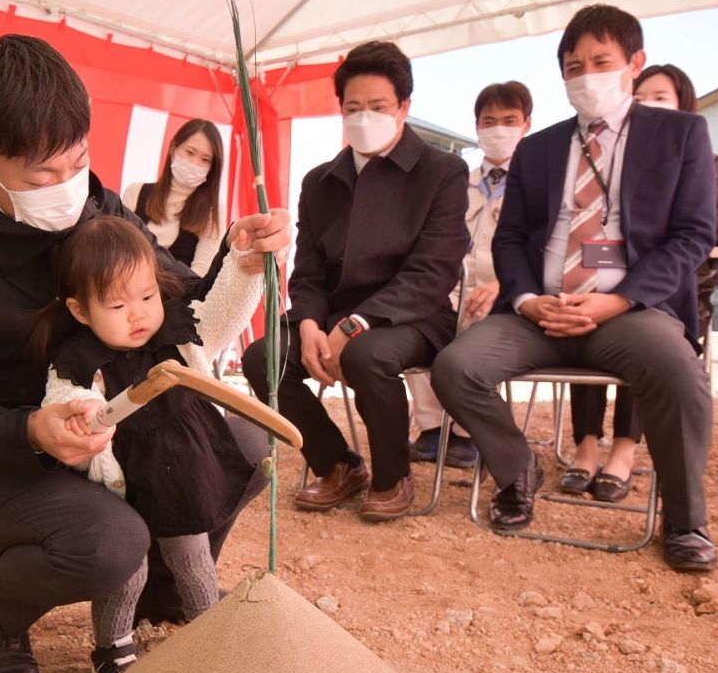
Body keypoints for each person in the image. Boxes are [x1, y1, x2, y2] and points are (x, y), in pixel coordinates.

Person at [0, 34, 290, 673]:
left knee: (241, 448)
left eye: (78, 160)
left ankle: (157, 586)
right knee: (109, 540)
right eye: (41, 174)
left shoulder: (101, 212)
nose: (66, 188)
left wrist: (242, 259)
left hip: (114, 441)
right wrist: (31, 431)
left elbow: (181, 299)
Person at [431, 5, 718, 572]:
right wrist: (527, 299)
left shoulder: (680, 132)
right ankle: (517, 472)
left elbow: (692, 236)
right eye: (572, 65)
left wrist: (619, 299)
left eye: (600, 61)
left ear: (634, 63)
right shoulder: (538, 148)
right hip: (539, 311)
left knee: (680, 371)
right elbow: (511, 238)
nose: (585, 74)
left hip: (630, 311)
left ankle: (685, 520)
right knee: (455, 367)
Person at [244, 40, 469, 521]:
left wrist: (355, 325)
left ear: (404, 107)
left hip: (413, 315)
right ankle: (337, 464)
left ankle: (393, 475)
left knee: (369, 355)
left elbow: (433, 270)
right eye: (353, 108)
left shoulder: (443, 171)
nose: (364, 117)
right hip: (329, 314)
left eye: (378, 107)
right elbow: (307, 271)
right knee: (261, 357)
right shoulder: (320, 180)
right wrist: (306, 322)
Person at [36, 216, 262, 673]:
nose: (138, 314)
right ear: (81, 311)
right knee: (128, 572)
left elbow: (224, 308)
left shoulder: (177, 333)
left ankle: (209, 632)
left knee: (195, 558)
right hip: (125, 489)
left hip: (182, 477)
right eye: (117, 304)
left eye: (146, 297)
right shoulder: (80, 361)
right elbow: (65, 400)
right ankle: (112, 646)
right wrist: (83, 411)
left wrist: (245, 265)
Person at [562, 63, 718, 502]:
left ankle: (624, 447)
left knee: (645, 338)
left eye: (662, 97)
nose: (648, 105)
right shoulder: (608, 160)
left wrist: (631, 278)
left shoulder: (712, 167)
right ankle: (585, 444)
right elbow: (594, 237)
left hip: (677, 294)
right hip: (606, 283)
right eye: (640, 97)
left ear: (684, 107)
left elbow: (693, 239)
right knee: (585, 314)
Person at [407, 81, 533, 469]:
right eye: (489, 120)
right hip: (451, 284)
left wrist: (502, 286)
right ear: (476, 127)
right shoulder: (456, 180)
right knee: (414, 318)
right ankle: (430, 427)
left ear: (527, 125)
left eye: (509, 120)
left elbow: (542, 247)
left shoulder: (537, 182)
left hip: (508, 290)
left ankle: (467, 433)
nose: (498, 129)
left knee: (479, 323)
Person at [121, 119, 225, 276]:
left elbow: (201, 274)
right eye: (189, 152)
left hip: (178, 297)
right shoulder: (135, 192)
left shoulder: (212, 209)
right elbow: (116, 251)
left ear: (212, 168)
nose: (194, 164)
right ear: (173, 149)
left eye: (205, 160)